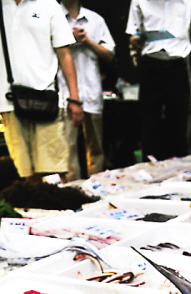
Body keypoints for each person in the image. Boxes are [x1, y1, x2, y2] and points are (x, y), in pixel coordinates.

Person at [0, 0, 83, 182]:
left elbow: (65, 54)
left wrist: (74, 98)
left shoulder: (48, 4)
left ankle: (58, 207)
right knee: (24, 171)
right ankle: (36, 209)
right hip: (8, 101)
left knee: (54, 168)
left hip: (46, 97)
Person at [126, 0, 191, 161]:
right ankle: (150, 170)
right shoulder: (139, 1)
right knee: (149, 124)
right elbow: (133, 34)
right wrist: (135, 40)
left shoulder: (188, 2)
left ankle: (178, 171)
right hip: (151, 64)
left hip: (177, 65)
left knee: (179, 122)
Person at [58, 0, 115, 181]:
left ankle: (97, 189)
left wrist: (87, 40)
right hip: (64, 93)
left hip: (92, 91)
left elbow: (109, 54)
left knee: (97, 147)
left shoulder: (95, 19)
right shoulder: (53, 17)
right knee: (68, 149)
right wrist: (69, 38)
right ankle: (72, 191)